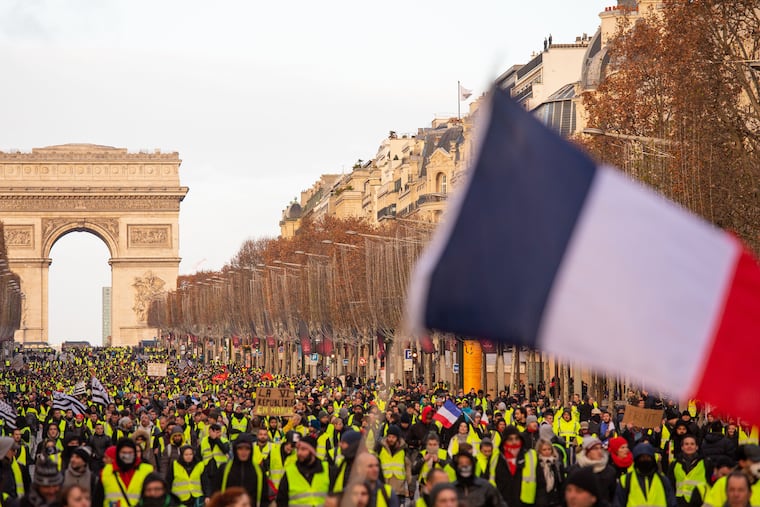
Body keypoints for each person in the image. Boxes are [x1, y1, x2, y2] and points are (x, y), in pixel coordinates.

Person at [92, 438, 155, 507]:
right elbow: (97, 500)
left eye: (130, 453)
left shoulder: (147, 470)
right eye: (124, 453)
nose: (127, 456)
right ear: (118, 454)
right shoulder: (106, 471)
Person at [275, 435, 331, 507]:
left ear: (313, 451)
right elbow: (281, 501)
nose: (299, 453)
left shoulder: (327, 469)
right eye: (298, 449)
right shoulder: (290, 472)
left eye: (303, 449)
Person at [214, 434, 268, 507]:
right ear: (235, 449)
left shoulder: (259, 471)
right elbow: (217, 494)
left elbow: (264, 498)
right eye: (240, 448)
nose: (243, 452)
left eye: (247, 448)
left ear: (251, 450)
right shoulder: (224, 469)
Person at [616, 442, 677, 507]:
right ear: (636, 460)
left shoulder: (663, 479)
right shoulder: (626, 480)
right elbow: (618, 503)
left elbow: (672, 503)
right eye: (642, 458)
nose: (645, 460)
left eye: (648, 457)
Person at [666, 434, 712, 507]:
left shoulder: (706, 463)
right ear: (682, 447)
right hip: (679, 503)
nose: (689, 446)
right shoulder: (675, 463)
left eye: (692, 444)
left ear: (696, 447)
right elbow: (670, 485)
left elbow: (710, 484)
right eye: (686, 444)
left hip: (700, 502)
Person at [567, 437, 616, 504]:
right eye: (595, 448)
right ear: (586, 451)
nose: (599, 451)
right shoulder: (575, 471)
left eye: (601, 448)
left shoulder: (609, 471)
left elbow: (613, 496)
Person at [534, 438, 564, 507]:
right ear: (539, 450)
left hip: (556, 500)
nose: (547, 451)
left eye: (549, 449)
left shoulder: (557, 463)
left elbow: (561, 482)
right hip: (541, 500)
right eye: (544, 449)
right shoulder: (536, 464)